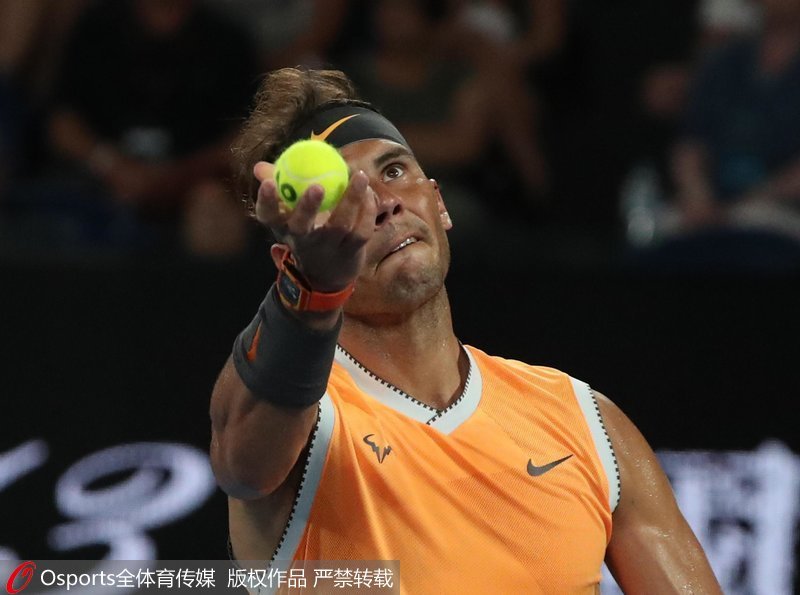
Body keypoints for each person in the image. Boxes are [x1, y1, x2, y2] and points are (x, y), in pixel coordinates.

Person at [210, 68, 722, 593]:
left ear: (439, 202)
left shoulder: (585, 422)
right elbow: (243, 467)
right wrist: (312, 289)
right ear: (289, 259)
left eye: (393, 170)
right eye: (344, 194)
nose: (383, 202)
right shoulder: (301, 423)